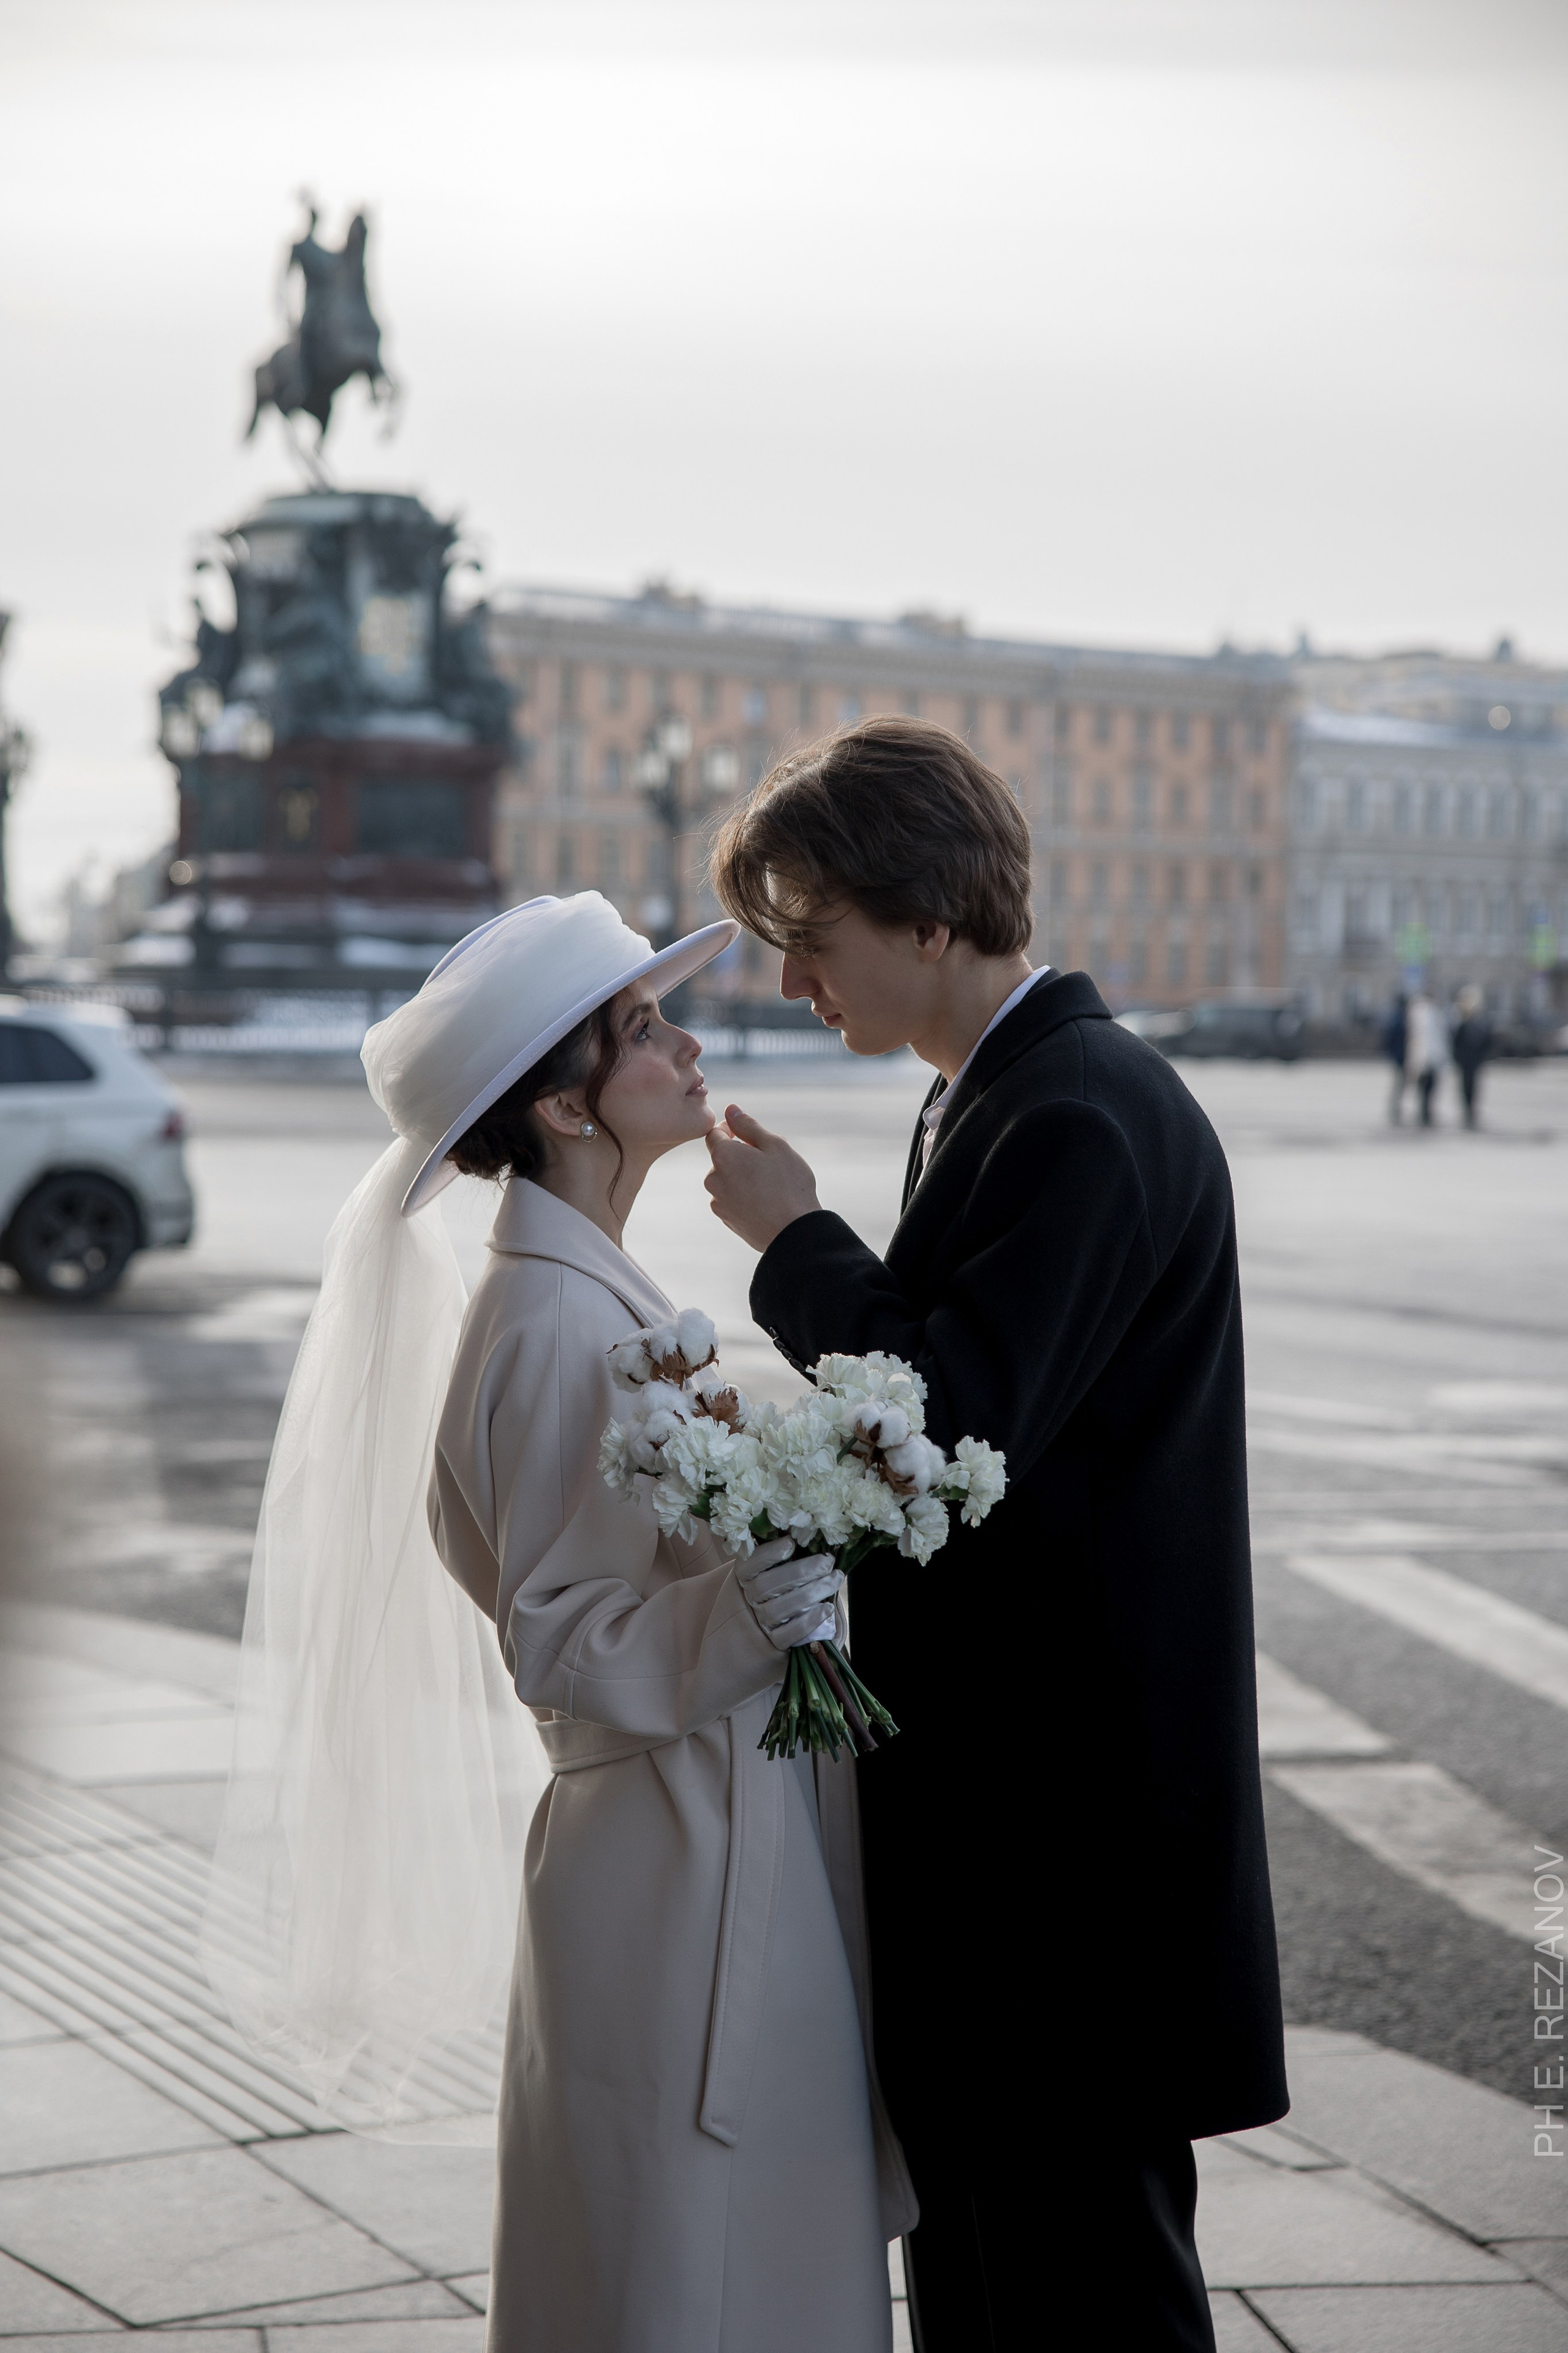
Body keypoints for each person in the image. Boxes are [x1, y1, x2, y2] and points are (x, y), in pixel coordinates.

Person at [205, 893, 912, 2353]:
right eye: (642, 1029)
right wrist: (753, 1598)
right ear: (559, 1100)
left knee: (705, 2260)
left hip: (708, 1849)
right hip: (673, 1872)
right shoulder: (545, 1324)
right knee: (685, 2271)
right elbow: (563, 1643)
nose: (689, 1040)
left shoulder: (588, 1291)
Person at [703, 718, 1287, 2353]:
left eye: (815, 944)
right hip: (1027, 1837)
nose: (796, 984)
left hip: (1069, 1857)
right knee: (989, 2276)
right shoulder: (1009, 1093)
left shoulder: (1078, 1112)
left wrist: (800, 1241)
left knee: (1081, 2292)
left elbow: (954, 1430)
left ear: (930, 920)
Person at [1404, 988, 1447, 1128]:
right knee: (1425, 1088)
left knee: (1427, 1089)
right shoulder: (1425, 1014)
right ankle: (1424, 1113)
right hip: (1426, 1059)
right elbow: (1423, 1040)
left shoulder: (1430, 1014)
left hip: (1428, 1059)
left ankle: (1425, 1113)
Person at [1451, 984, 1492, 1129]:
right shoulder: (1461, 1021)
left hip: (1474, 1061)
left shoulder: (1479, 1021)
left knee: (1473, 1087)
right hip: (1465, 1061)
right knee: (1465, 1087)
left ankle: (1471, 1112)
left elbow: (1486, 1041)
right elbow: (1455, 1041)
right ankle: (1467, 1112)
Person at [1382, 991, 1410, 1124]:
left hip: (1400, 1057)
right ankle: (1395, 1110)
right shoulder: (1402, 1018)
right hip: (1402, 1057)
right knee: (1399, 1086)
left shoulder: (1397, 1017)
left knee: (1399, 1086)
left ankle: (1396, 1110)